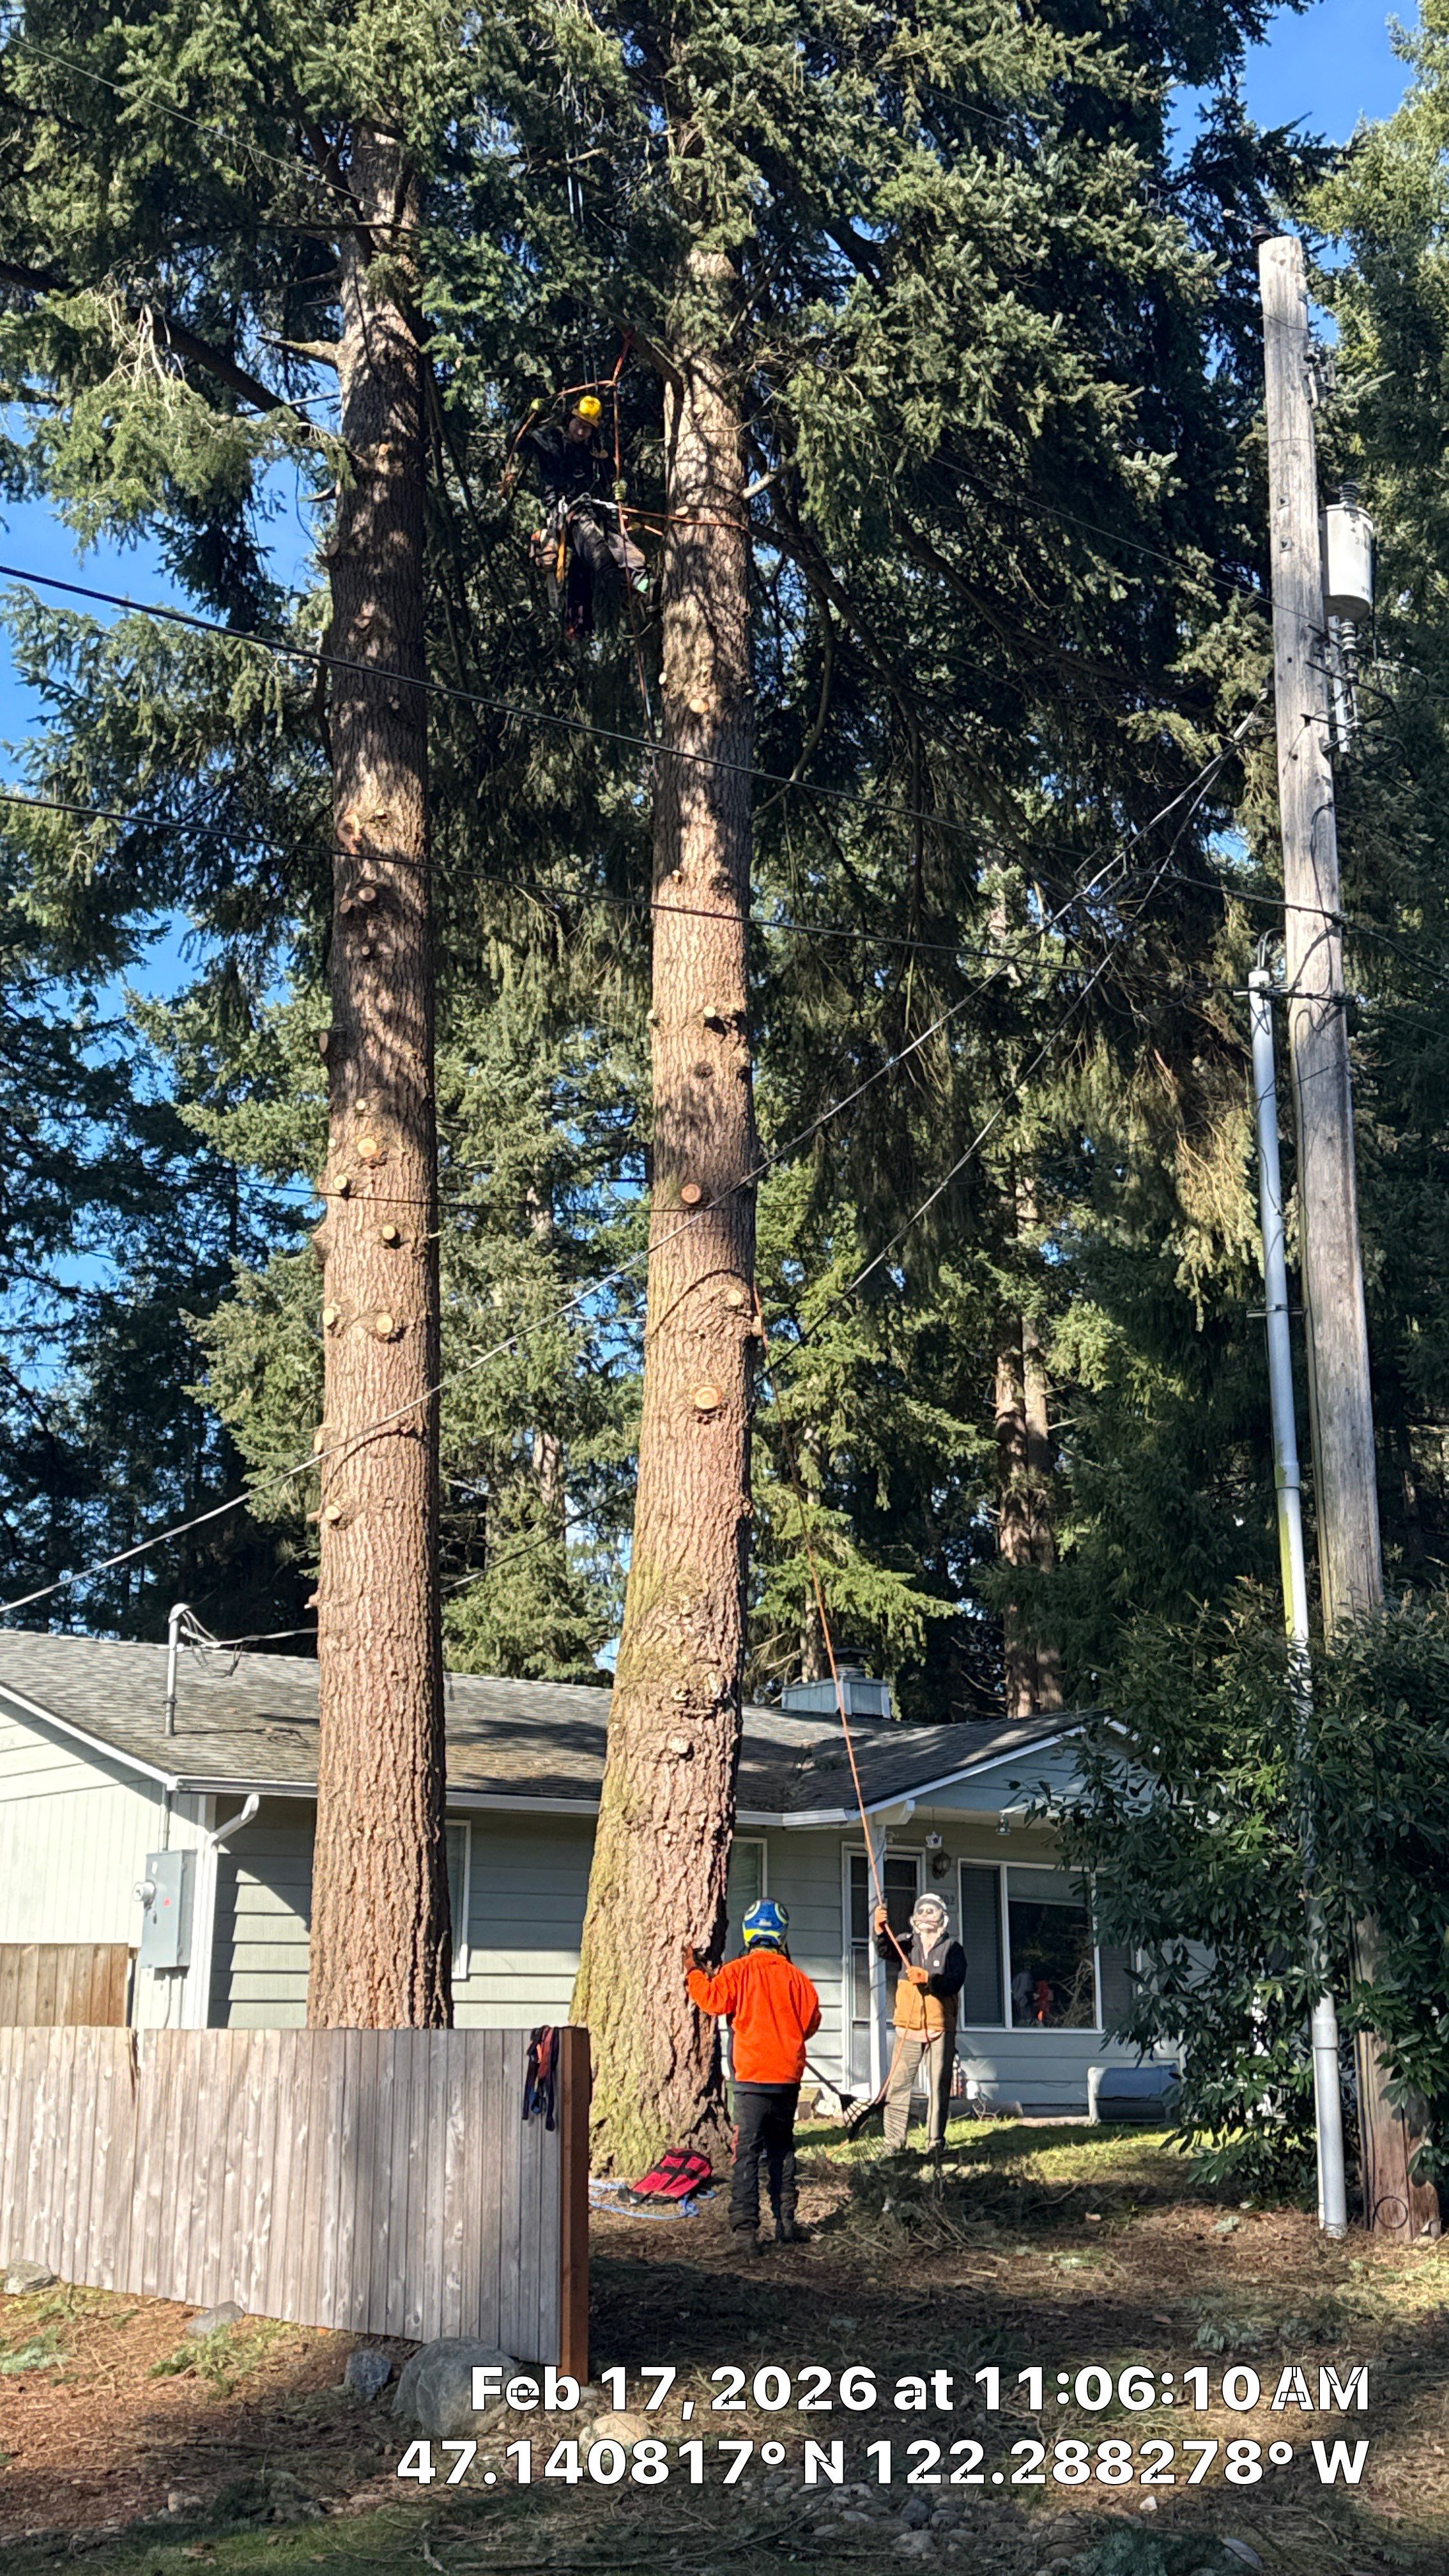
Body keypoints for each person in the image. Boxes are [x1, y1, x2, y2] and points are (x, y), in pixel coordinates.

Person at [685, 1898, 821, 2251]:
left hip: (751, 2082)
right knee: (782, 2149)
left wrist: (693, 1973)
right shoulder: (799, 1979)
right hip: (788, 2081)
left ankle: (745, 2232)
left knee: (746, 2153)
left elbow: (712, 2001)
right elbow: (811, 2023)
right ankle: (786, 2222)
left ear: (749, 1934)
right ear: (781, 1936)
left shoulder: (737, 1971)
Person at [513, 394, 647, 639]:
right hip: (567, 513)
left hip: (596, 512)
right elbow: (515, 443)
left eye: (588, 427)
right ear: (571, 418)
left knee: (629, 553)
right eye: (579, 424)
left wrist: (621, 483)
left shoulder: (594, 452)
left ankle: (647, 589)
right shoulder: (550, 439)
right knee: (599, 553)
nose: (582, 430)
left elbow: (614, 474)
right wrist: (529, 416)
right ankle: (625, 593)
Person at [873, 1892, 967, 2152]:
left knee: (939, 2086)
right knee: (899, 2086)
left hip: (940, 2027)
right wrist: (879, 1929)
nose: (926, 1916)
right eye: (921, 1911)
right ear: (913, 1917)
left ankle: (935, 2142)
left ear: (942, 1918)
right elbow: (885, 1950)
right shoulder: (906, 1943)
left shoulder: (953, 1949)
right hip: (908, 2026)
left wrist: (929, 1979)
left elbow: (955, 1982)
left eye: (932, 1911)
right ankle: (893, 2143)